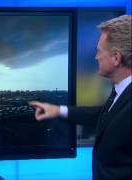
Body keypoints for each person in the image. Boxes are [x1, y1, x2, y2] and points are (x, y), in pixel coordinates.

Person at [29, 15, 132, 180]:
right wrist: (58, 110)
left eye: (99, 51)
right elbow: (105, 117)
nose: (96, 57)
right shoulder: (121, 92)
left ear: (116, 58)